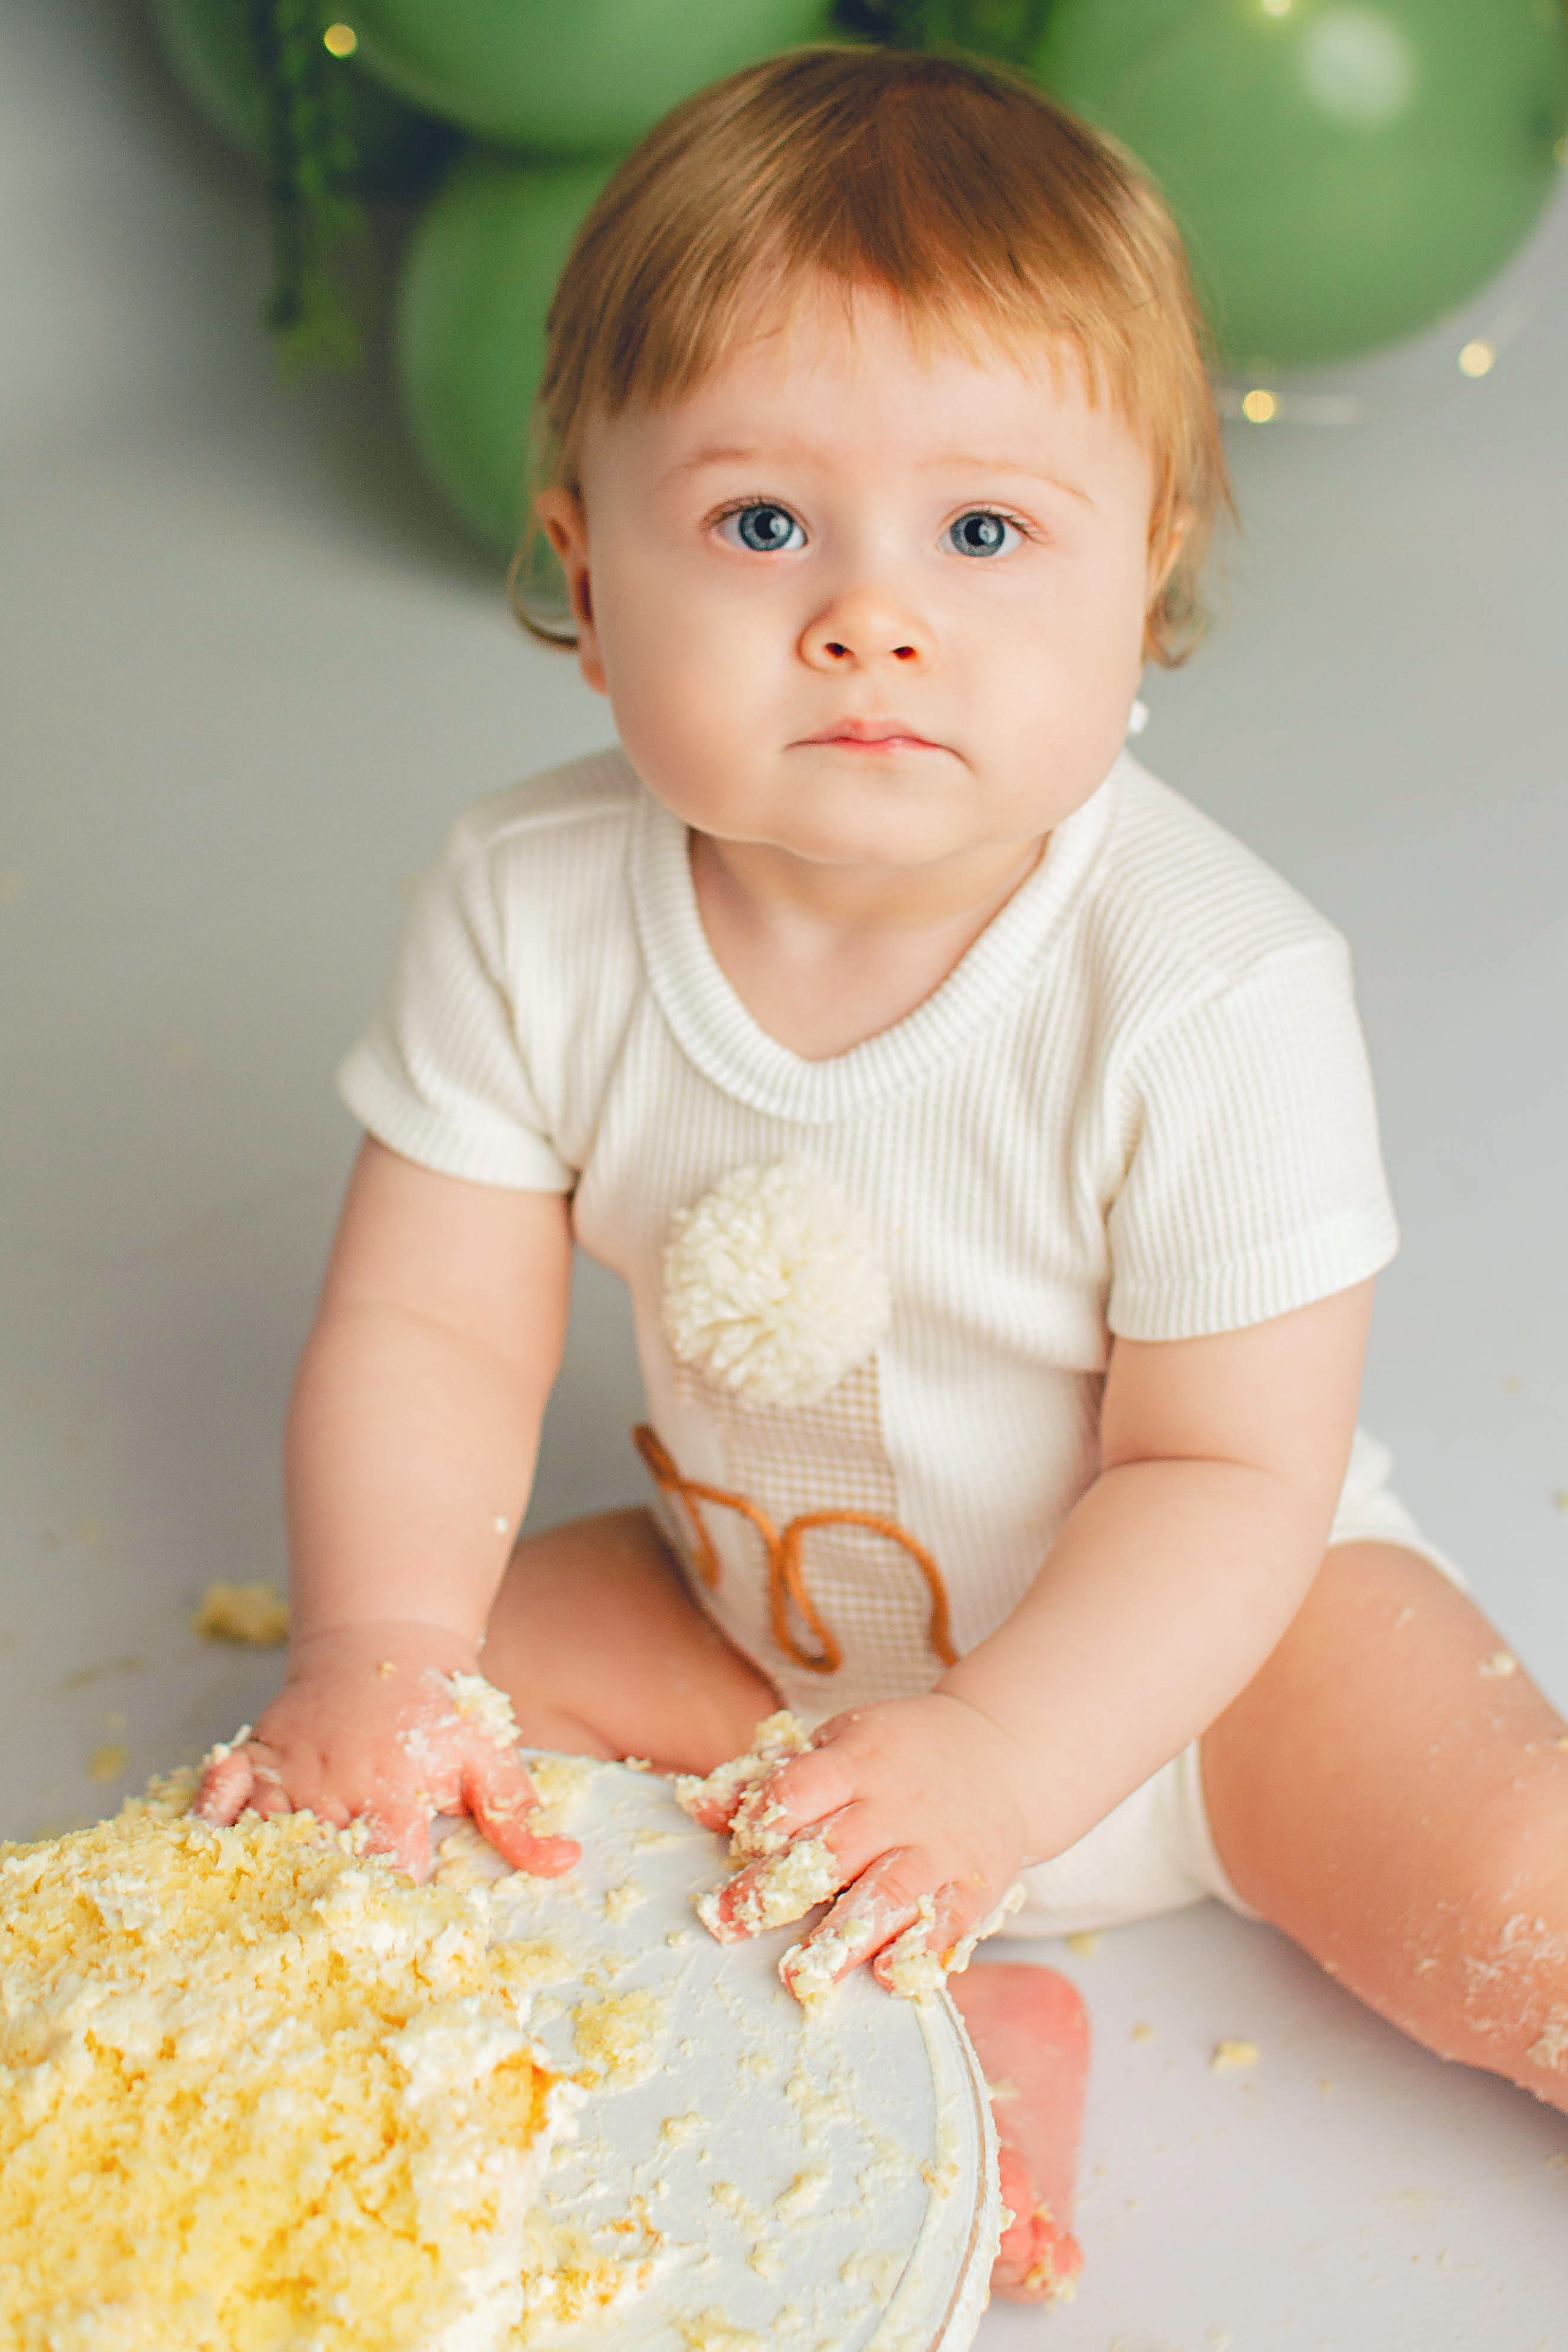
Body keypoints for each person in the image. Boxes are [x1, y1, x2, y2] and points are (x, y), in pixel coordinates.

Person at [194, 45, 1568, 2305]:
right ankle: (943, 2038)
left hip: (1211, 1670)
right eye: (757, 527)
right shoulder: (530, 902)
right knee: (402, 1772)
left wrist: (1009, 1768)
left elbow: (1230, 1471)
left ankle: (1012, 1923)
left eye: (987, 533)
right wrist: (380, 1649)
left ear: (1153, 571)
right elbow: (431, 1321)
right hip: (768, 1651)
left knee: (1507, 1876)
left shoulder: (1209, 989)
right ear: (581, 555)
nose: (868, 616)